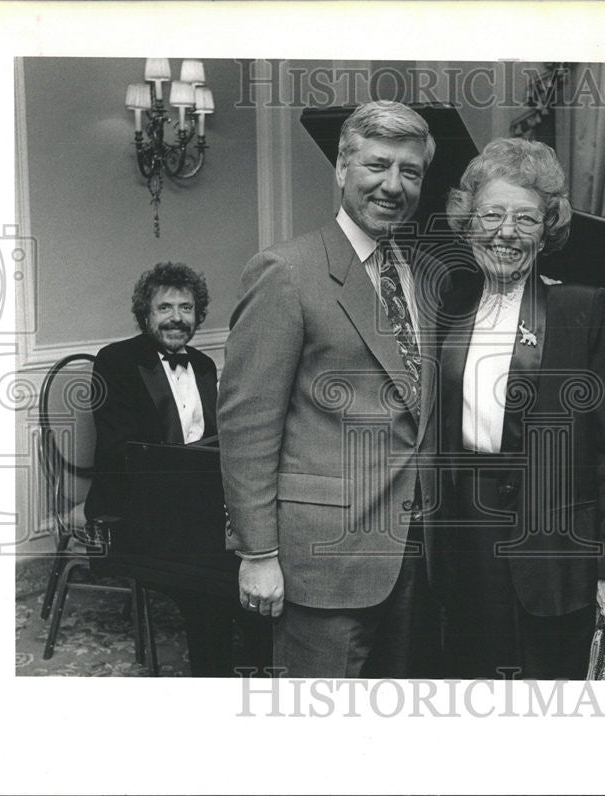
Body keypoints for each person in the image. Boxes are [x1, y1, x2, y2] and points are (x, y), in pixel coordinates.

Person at [218, 100, 447, 677]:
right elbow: (248, 425)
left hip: (413, 556)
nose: (393, 185)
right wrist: (257, 554)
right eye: (377, 165)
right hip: (322, 559)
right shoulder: (285, 271)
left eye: (410, 171)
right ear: (341, 169)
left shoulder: (422, 275)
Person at [435, 138, 605, 679]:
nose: (506, 233)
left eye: (525, 219)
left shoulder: (581, 309)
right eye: (492, 215)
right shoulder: (446, 306)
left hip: (551, 550)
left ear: (547, 229)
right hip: (461, 542)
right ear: (468, 223)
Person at [86, 262, 270, 676]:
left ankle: (263, 670)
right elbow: (120, 452)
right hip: (132, 510)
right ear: (145, 315)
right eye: (164, 307)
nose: (176, 317)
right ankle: (215, 677)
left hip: (197, 509)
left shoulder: (203, 365)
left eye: (186, 308)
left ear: (197, 315)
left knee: (254, 554)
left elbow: (215, 441)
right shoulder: (114, 361)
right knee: (212, 584)